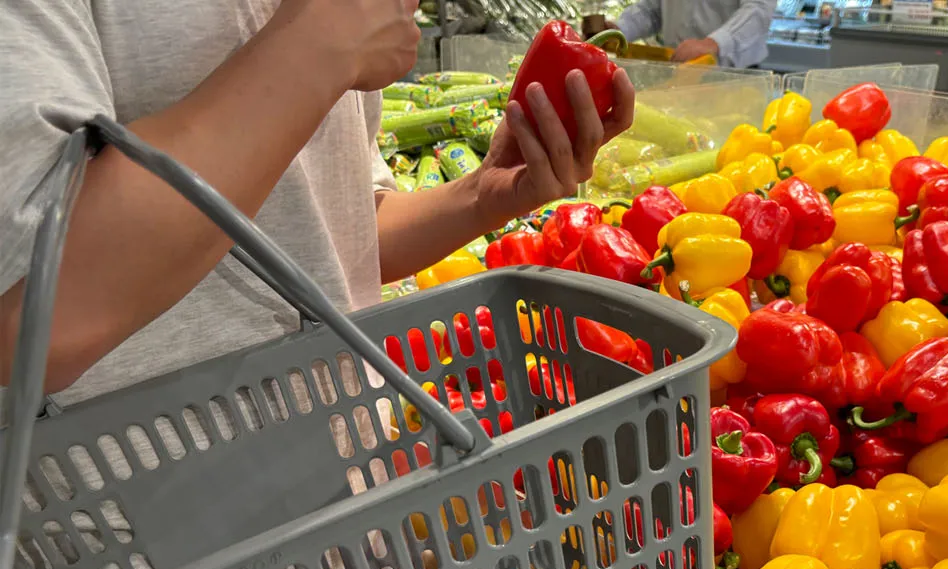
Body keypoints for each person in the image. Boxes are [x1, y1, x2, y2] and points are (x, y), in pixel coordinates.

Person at [0, 0, 635, 405]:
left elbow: (336, 232)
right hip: (124, 563)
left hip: (335, 495)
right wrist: (319, 46)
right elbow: (34, 316)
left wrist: (483, 194)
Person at [604, 0, 779, 68]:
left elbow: (759, 10)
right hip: (678, 68)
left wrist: (712, 43)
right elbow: (653, 10)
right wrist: (620, 31)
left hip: (734, 75)